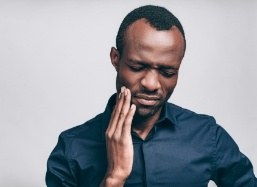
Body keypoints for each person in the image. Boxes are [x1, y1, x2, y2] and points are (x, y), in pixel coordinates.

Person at [46, 5, 257, 187]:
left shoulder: (207, 136)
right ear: (115, 58)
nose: (151, 84)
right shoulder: (71, 149)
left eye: (167, 72)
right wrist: (114, 178)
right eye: (138, 67)